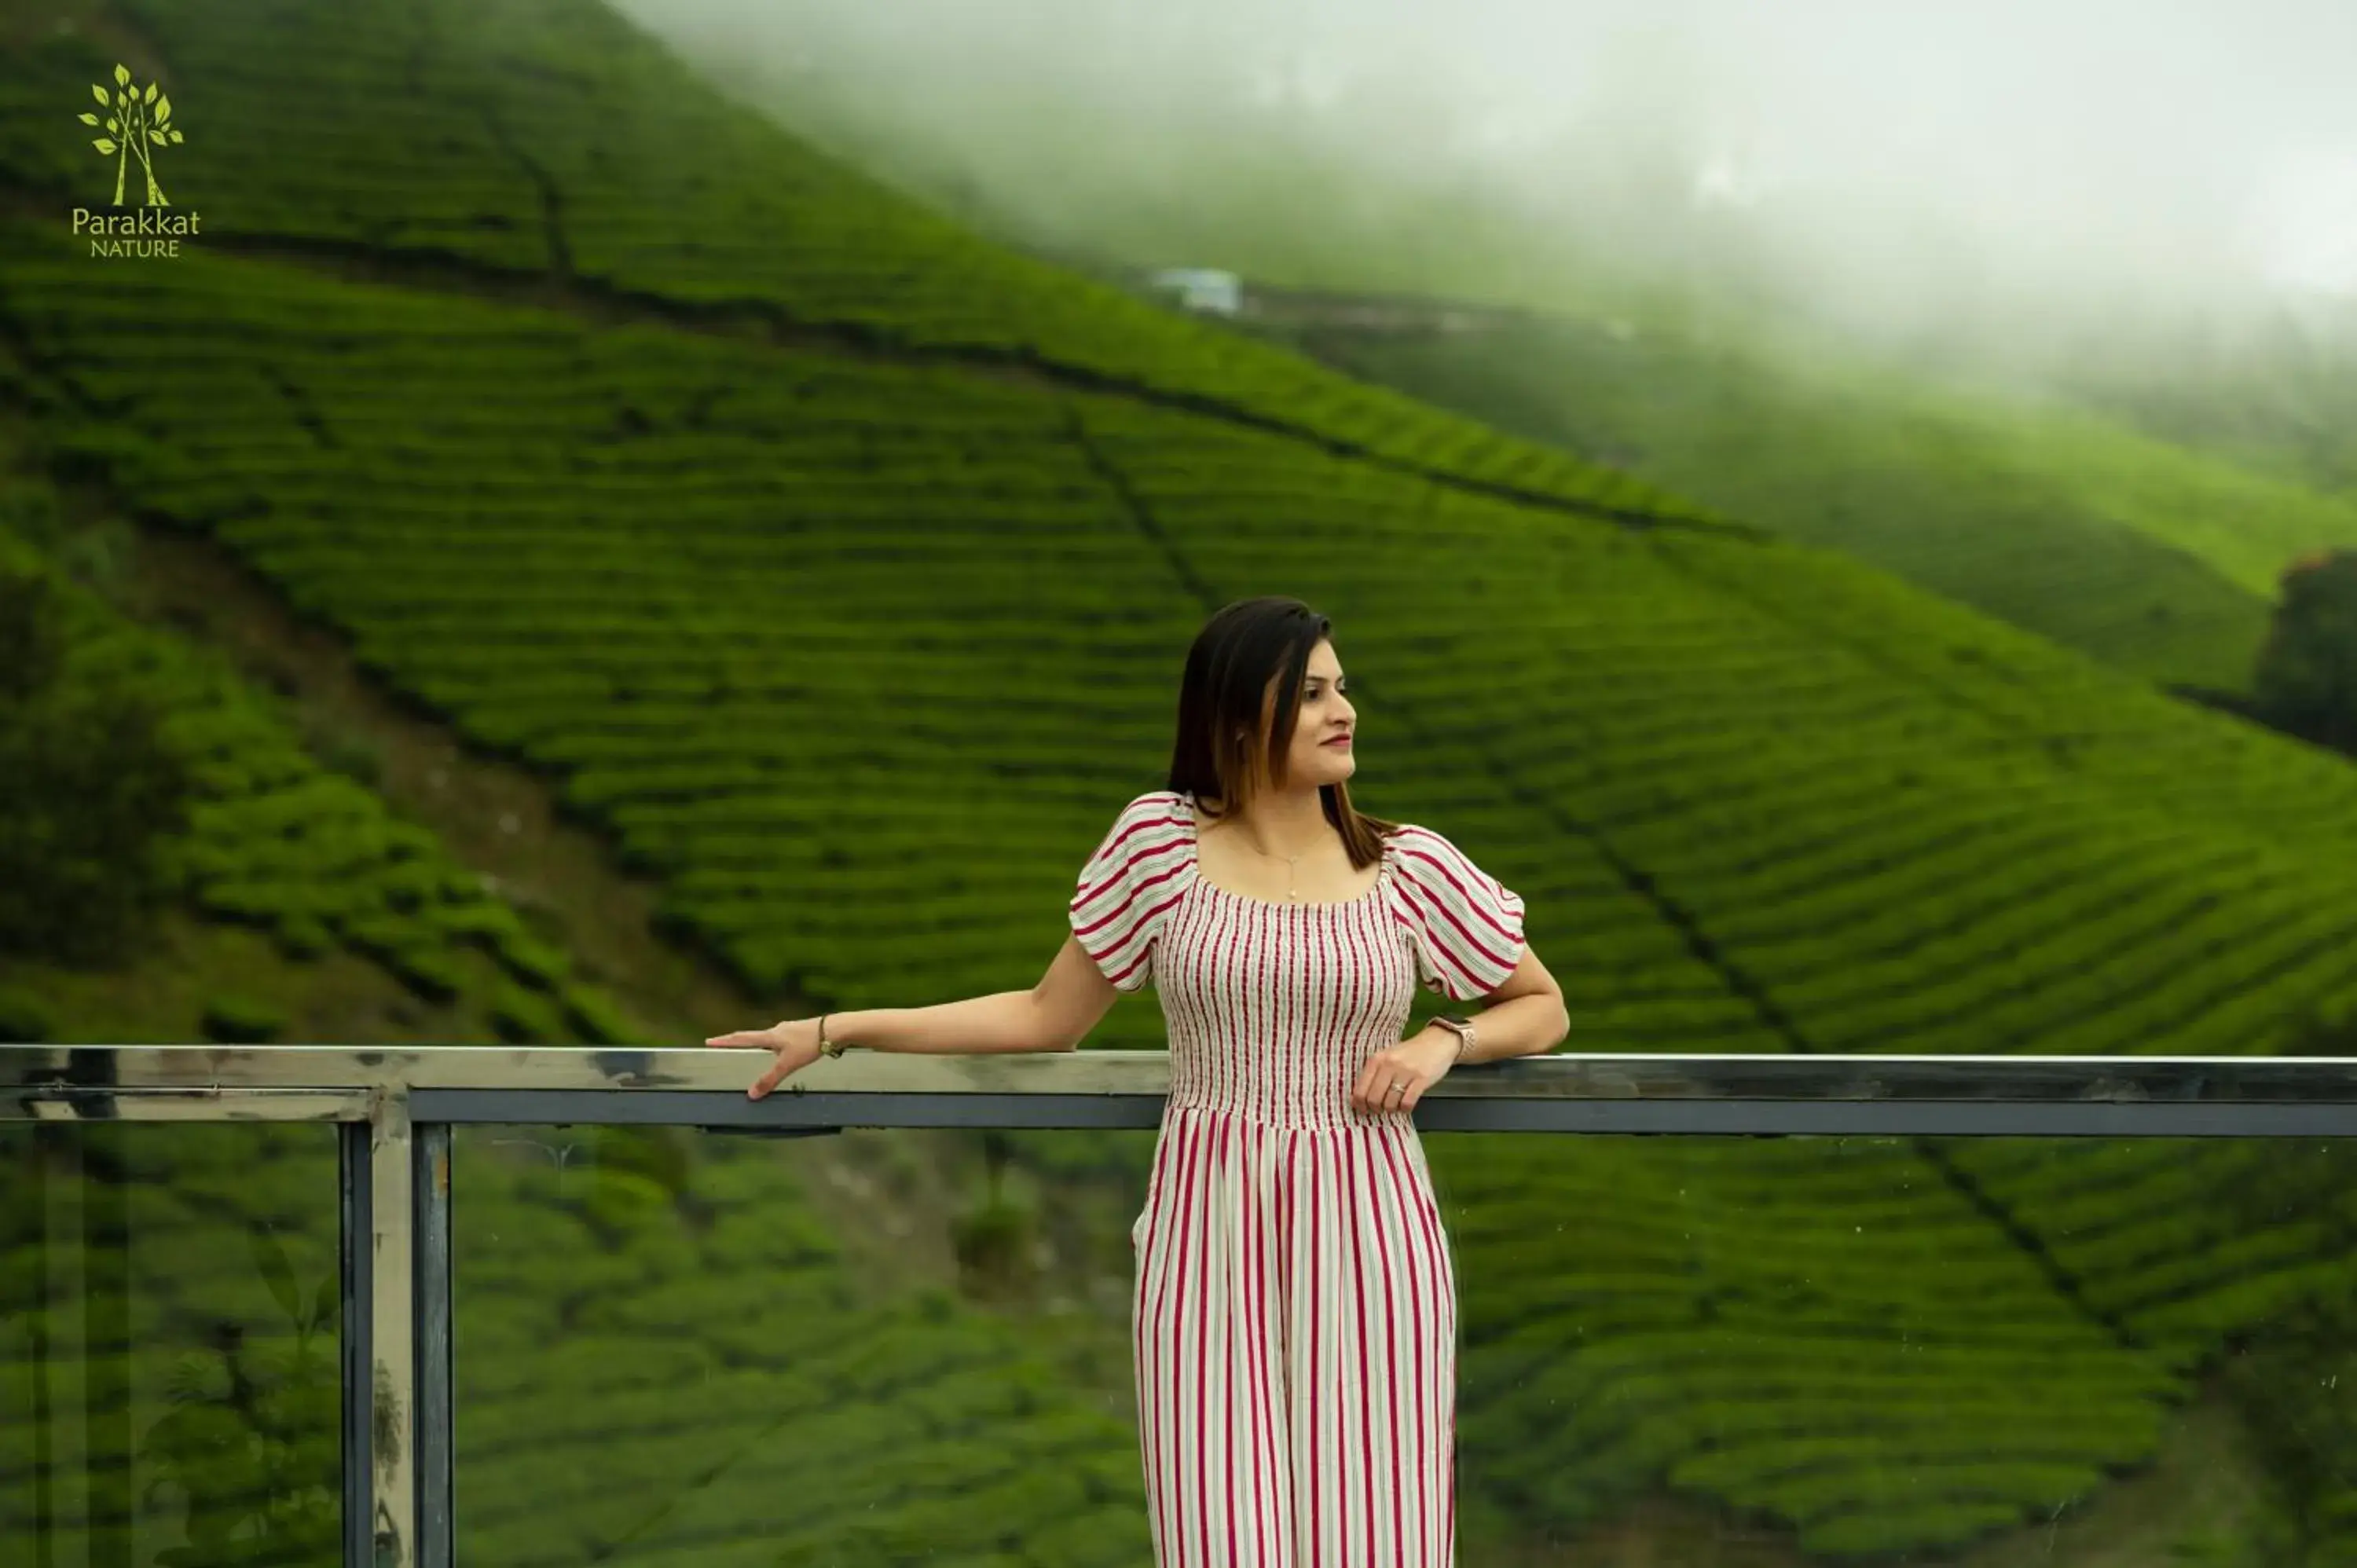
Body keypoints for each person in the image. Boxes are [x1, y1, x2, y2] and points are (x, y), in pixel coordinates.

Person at [706, 595, 1569, 1566]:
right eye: (1314, 694)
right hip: (1206, 1221)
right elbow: (1047, 1016)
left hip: (1370, 1221)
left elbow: (1541, 1004)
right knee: (1215, 1531)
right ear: (1240, 719)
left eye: (1344, 688)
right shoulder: (1158, 842)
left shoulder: (1408, 865)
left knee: (1379, 1530)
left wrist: (1441, 1041)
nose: (1346, 711)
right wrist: (836, 1030)